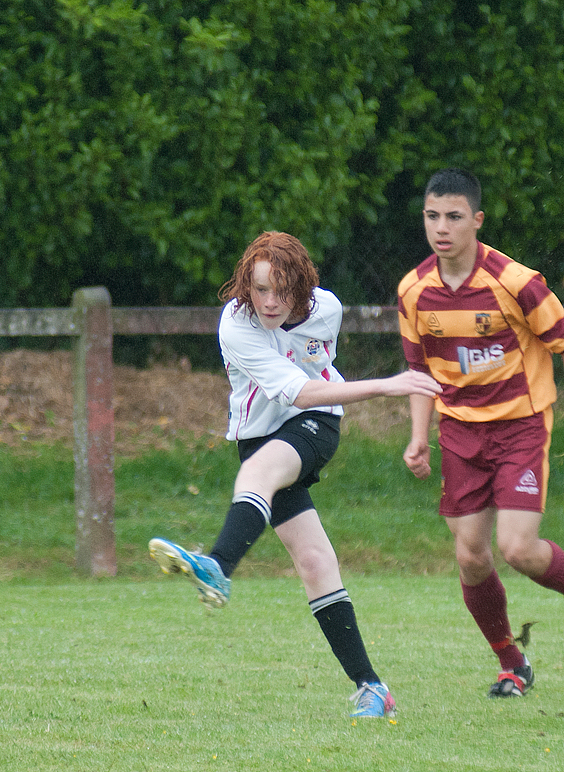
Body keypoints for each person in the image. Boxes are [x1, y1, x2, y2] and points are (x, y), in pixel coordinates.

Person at [149, 231, 441, 718]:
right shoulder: (236, 325)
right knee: (313, 561)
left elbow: (314, 391)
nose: (269, 301)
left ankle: (218, 567)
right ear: (247, 284)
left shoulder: (328, 309)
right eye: (260, 288)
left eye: (282, 290)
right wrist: (387, 386)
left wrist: (379, 387)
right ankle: (372, 688)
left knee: (260, 473)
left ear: (303, 286)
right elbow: (296, 391)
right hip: (262, 432)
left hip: (317, 424)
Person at [399, 167, 564, 698]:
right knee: (471, 555)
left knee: (519, 549)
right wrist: (418, 435)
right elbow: (420, 373)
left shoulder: (517, 283)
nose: (441, 227)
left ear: (477, 220)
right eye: (432, 216)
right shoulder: (414, 292)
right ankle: (512, 662)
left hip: (520, 425)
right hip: (461, 434)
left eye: (453, 216)